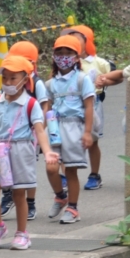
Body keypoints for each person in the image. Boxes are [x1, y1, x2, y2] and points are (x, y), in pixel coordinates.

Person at [0, 56, 57, 249]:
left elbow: (40, 130)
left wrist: (47, 151)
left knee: (18, 194)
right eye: (4, 78)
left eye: (12, 78)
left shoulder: (31, 105)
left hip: (22, 151)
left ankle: (22, 233)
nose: (7, 82)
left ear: (25, 79)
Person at [44, 35, 96, 224]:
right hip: (55, 127)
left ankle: (73, 208)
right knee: (51, 168)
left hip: (75, 126)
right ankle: (60, 196)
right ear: (54, 56)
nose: (63, 57)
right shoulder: (50, 84)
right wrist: (41, 131)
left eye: (68, 53)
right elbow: (46, 108)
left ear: (76, 57)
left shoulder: (83, 80)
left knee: (70, 171)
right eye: (60, 52)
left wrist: (87, 132)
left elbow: (89, 106)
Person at [0, 41, 47, 221]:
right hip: (7, 135)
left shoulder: (37, 83)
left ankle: (31, 202)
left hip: (29, 135)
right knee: (4, 165)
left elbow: (44, 105)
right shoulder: (7, 82)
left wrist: (38, 126)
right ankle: (8, 196)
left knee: (27, 170)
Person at [62, 25, 109, 190]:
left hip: (92, 104)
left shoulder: (97, 62)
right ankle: (65, 176)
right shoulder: (65, 61)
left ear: (86, 41)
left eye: (76, 37)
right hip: (68, 104)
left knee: (93, 141)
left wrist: (105, 81)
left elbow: (111, 75)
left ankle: (94, 174)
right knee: (64, 139)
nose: (72, 40)